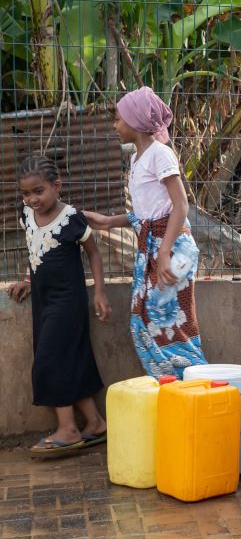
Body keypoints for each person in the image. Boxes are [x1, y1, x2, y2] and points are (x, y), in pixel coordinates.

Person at [84, 87, 206, 379]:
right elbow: (147, 213)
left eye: (118, 119)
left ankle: (196, 389)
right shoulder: (136, 160)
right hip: (150, 246)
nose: (114, 126)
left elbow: (180, 205)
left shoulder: (160, 154)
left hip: (173, 247)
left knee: (171, 325)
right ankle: (171, 388)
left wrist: (164, 251)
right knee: (142, 322)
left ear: (136, 121)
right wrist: (107, 221)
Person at [7, 155, 110, 457]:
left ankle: (68, 428)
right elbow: (34, 246)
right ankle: (94, 423)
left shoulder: (71, 218)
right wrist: (28, 277)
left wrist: (100, 292)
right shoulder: (25, 213)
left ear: (56, 186)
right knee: (71, 359)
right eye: (26, 193)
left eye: (39, 191)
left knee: (49, 360)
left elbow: (94, 253)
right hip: (42, 298)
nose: (32, 199)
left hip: (68, 300)